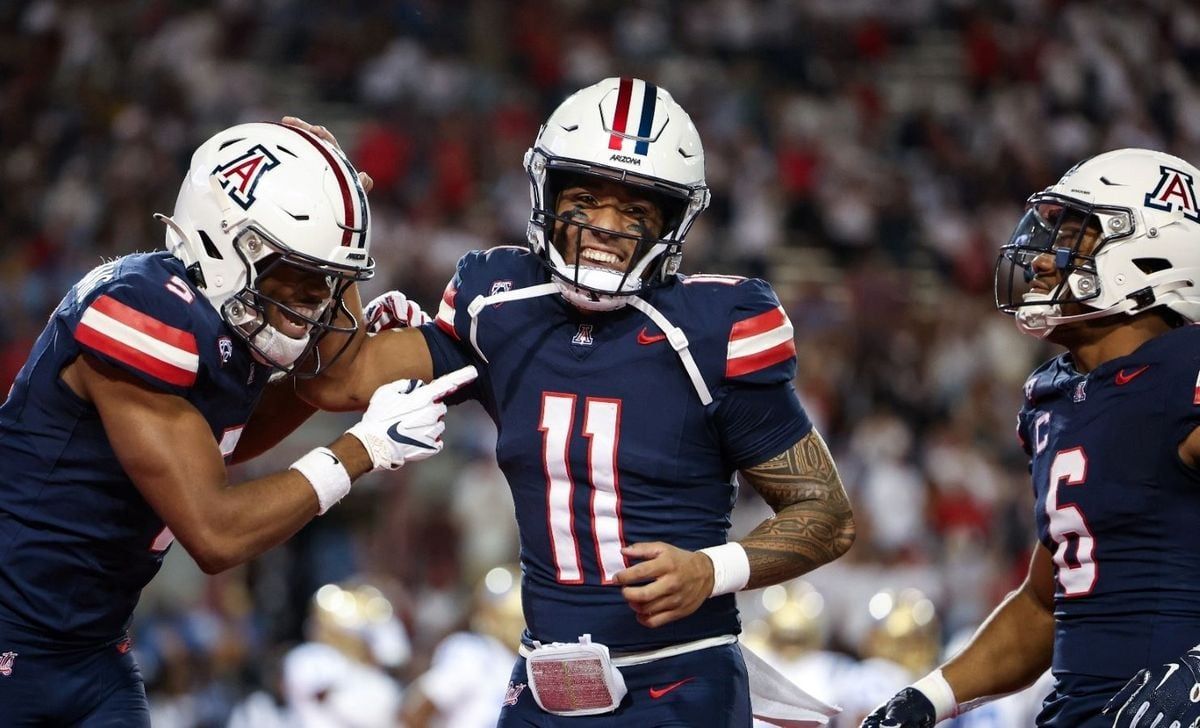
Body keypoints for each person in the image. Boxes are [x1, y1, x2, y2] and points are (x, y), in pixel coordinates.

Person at [302, 77, 856, 726]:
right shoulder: (498, 304)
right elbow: (335, 381)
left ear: (672, 222)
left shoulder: (714, 328)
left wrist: (715, 569)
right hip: (540, 686)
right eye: (587, 199)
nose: (607, 227)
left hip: (680, 681)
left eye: (636, 211)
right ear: (547, 193)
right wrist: (334, 228)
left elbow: (828, 513)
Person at [0, 120, 473, 725]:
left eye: (324, 284)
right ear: (224, 243)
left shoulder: (219, 321)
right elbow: (215, 533)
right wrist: (361, 449)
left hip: (90, 647)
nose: (314, 306)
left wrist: (323, 378)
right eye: (298, 280)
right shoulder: (140, 309)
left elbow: (222, 444)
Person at [861, 148, 1200, 727]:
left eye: (1076, 237)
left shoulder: (1185, 373)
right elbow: (1046, 604)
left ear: (1152, 251)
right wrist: (927, 699)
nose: (1044, 262)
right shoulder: (1054, 399)